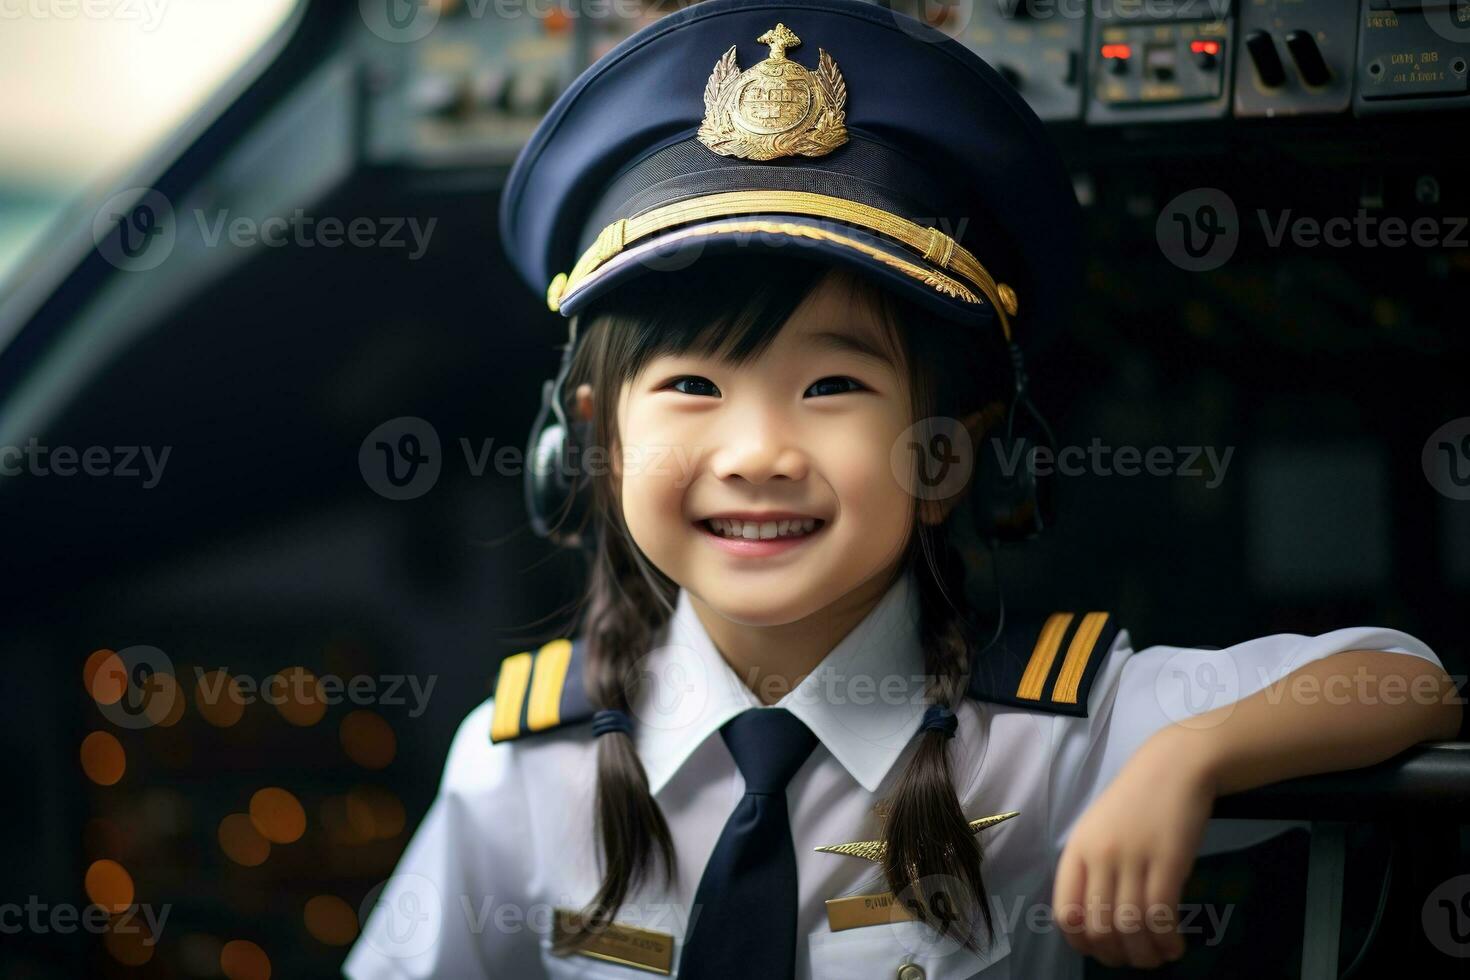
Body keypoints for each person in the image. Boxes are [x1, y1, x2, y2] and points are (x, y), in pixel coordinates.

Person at [344, 1, 1463, 977]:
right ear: (593, 442)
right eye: (691, 383)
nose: (758, 450)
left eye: (832, 384)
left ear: (949, 453)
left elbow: (1408, 680)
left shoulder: (1053, 729)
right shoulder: (521, 757)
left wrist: (1188, 755)